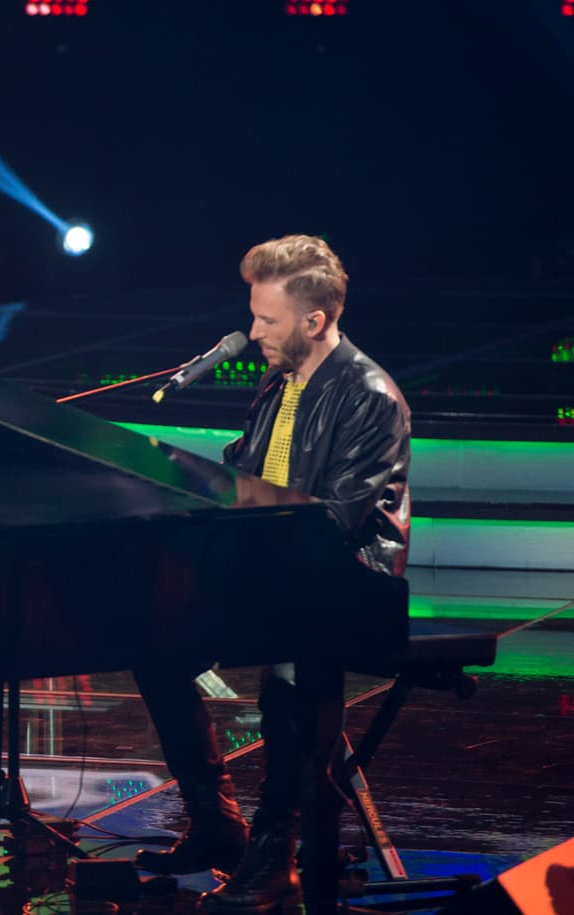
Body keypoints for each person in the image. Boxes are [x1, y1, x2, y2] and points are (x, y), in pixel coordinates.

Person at [133, 234, 411, 913]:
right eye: (254, 315)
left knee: (293, 666)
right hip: (276, 573)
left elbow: (333, 521)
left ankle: (276, 854)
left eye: (267, 320)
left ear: (314, 321)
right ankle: (217, 821)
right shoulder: (281, 383)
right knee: (151, 640)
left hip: (346, 585)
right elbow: (247, 481)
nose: (252, 331)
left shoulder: (368, 394)